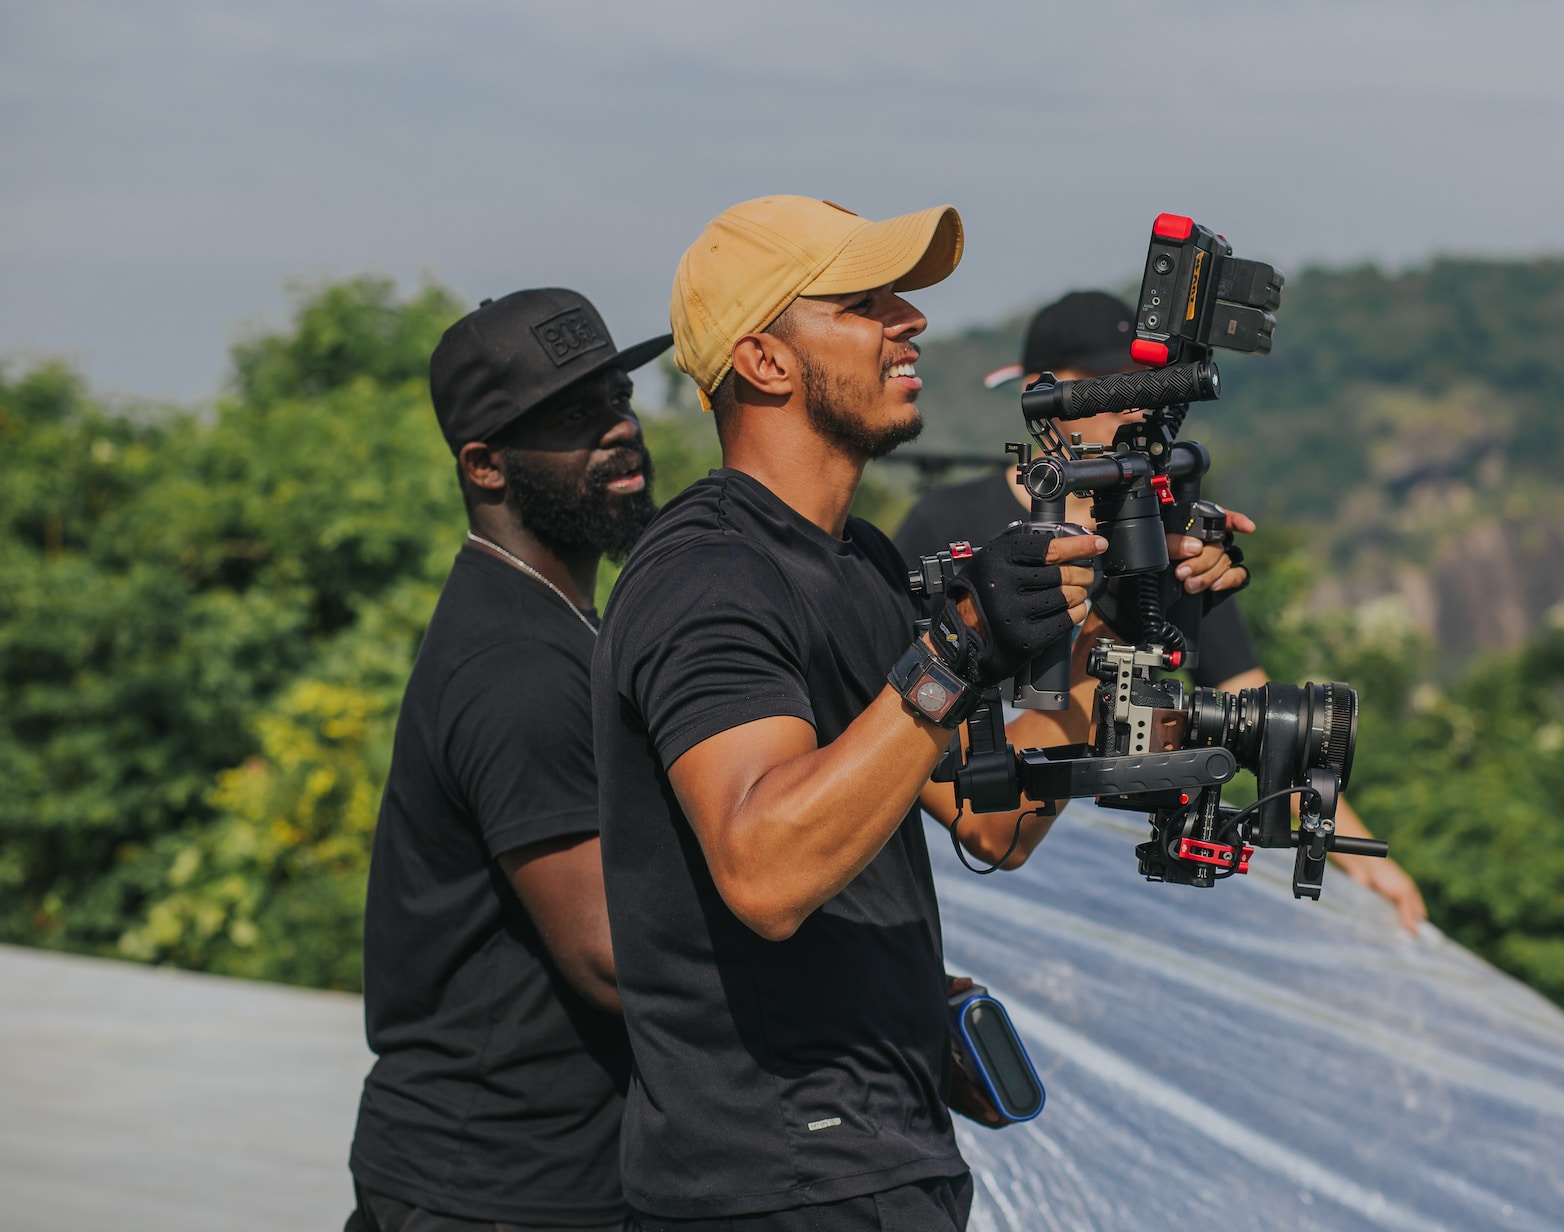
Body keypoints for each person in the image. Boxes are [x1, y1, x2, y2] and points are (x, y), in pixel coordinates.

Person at [592, 197, 1244, 1231]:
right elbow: (764, 867)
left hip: (887, 1164)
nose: (913, 321)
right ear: (765, 362)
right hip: (770, 1185)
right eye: (865, 304)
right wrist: (959, 650)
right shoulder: (706, 574)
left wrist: (1125, 613)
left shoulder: (862, 563)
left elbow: (998, 820)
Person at [893, 290, 1429, 932]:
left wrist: (1342, 841)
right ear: (1043, 393)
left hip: (1105, 880)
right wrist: (1112, 616)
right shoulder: (947, 521)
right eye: (1102, 384)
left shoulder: (1166, 530)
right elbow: (914, 734)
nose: (1131, 403)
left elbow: (1247, 701)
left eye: (1146, 384)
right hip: (967, 871)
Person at [346, 290, 671, 1232]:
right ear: (484, 465)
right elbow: (613, 957)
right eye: (573, 418)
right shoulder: (517, 665)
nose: (618, 430)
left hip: (516, 1178)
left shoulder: (559, 623)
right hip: (493, 1186)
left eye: (618, 397)